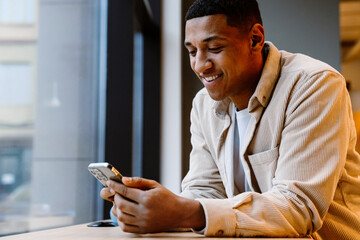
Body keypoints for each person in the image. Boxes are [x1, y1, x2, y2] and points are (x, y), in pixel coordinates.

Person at [100, 0, 360, 238]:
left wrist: (187, 211)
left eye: (214, 48)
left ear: (255, 39)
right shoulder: (204, 105)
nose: (201, 65)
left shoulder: (314, 86)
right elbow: (205, 191)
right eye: (192, 51)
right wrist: (152, 206)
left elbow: (298, 207)